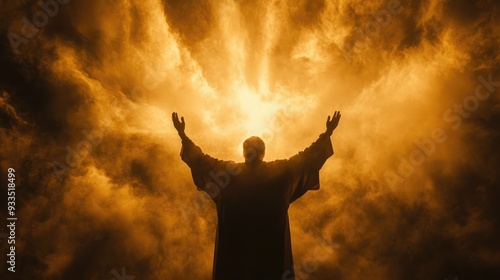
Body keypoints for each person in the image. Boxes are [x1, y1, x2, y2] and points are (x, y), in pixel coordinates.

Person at [173, 111, 341, 280]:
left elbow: (201, 161)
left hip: (236, 255)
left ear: (245, 152)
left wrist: (183, 135)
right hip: (268, 254)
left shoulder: (229, 175)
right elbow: (306, 159)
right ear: (262, 153)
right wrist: (327, 133)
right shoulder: (277, 173)